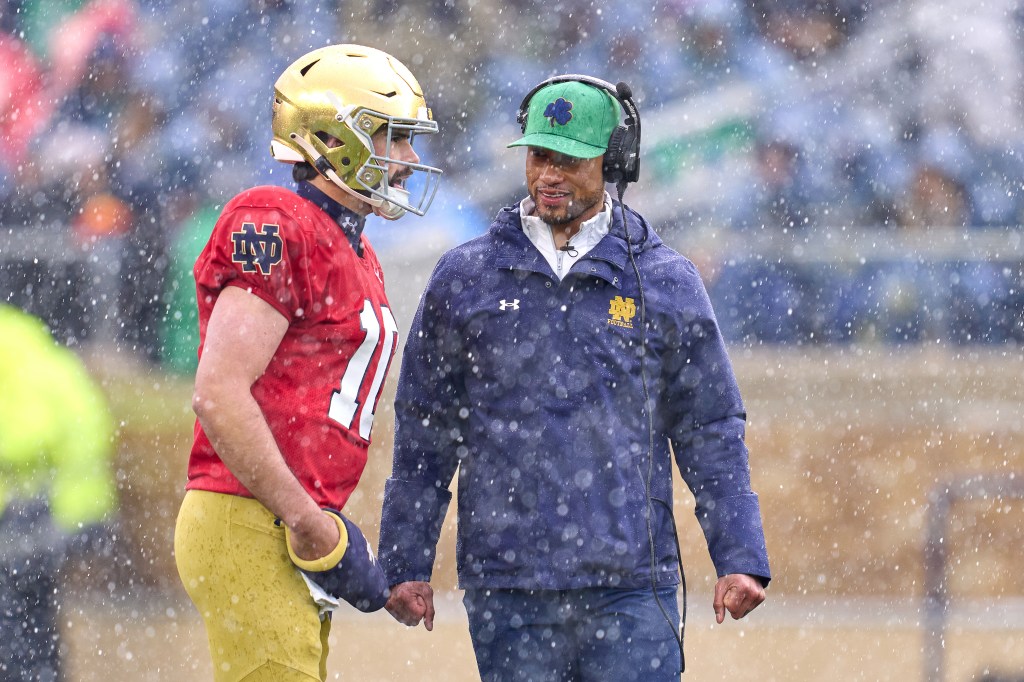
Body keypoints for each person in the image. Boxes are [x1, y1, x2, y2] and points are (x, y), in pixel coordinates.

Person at [378, 76, 771, 681]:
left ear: (612, 163)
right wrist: (406, 559)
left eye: (569, 158)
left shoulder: (665, 281)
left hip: (633, 588)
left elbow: (710, 428)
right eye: (539, 156)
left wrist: (740, 554)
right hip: (509, 591)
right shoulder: (464, 279)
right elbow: (424, 433)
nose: (548, 175)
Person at [173, 44, 442, 682]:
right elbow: (218, 392)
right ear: (332, 135)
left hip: (282, 521)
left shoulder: (354, 247)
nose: (407, 161)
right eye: (393, 138)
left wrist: (338, 544)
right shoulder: (278, 219)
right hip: (249, 518)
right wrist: (302, 517)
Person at [0, 303, 117, 682]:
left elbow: (25, 436)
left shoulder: (20, 360)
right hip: (57, 518)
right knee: (34, 619)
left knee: (19, 623)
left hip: (31, 519)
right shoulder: (49, 357)